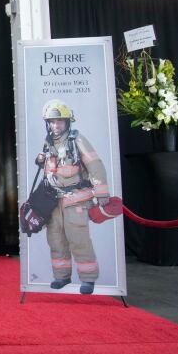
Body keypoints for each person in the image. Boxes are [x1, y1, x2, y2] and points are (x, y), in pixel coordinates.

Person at [35, 99, 109, 295]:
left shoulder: (77, 140)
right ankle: (61, 276)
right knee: (56, 240)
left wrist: (101, 193)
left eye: (59, 121)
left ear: (68, 122)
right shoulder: (48, 142)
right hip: (53, 202)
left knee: (79, 240)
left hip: (75, 200)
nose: (55, 125)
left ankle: (88, 279)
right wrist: (41, 160)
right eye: (51, 121)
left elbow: (95, 165)